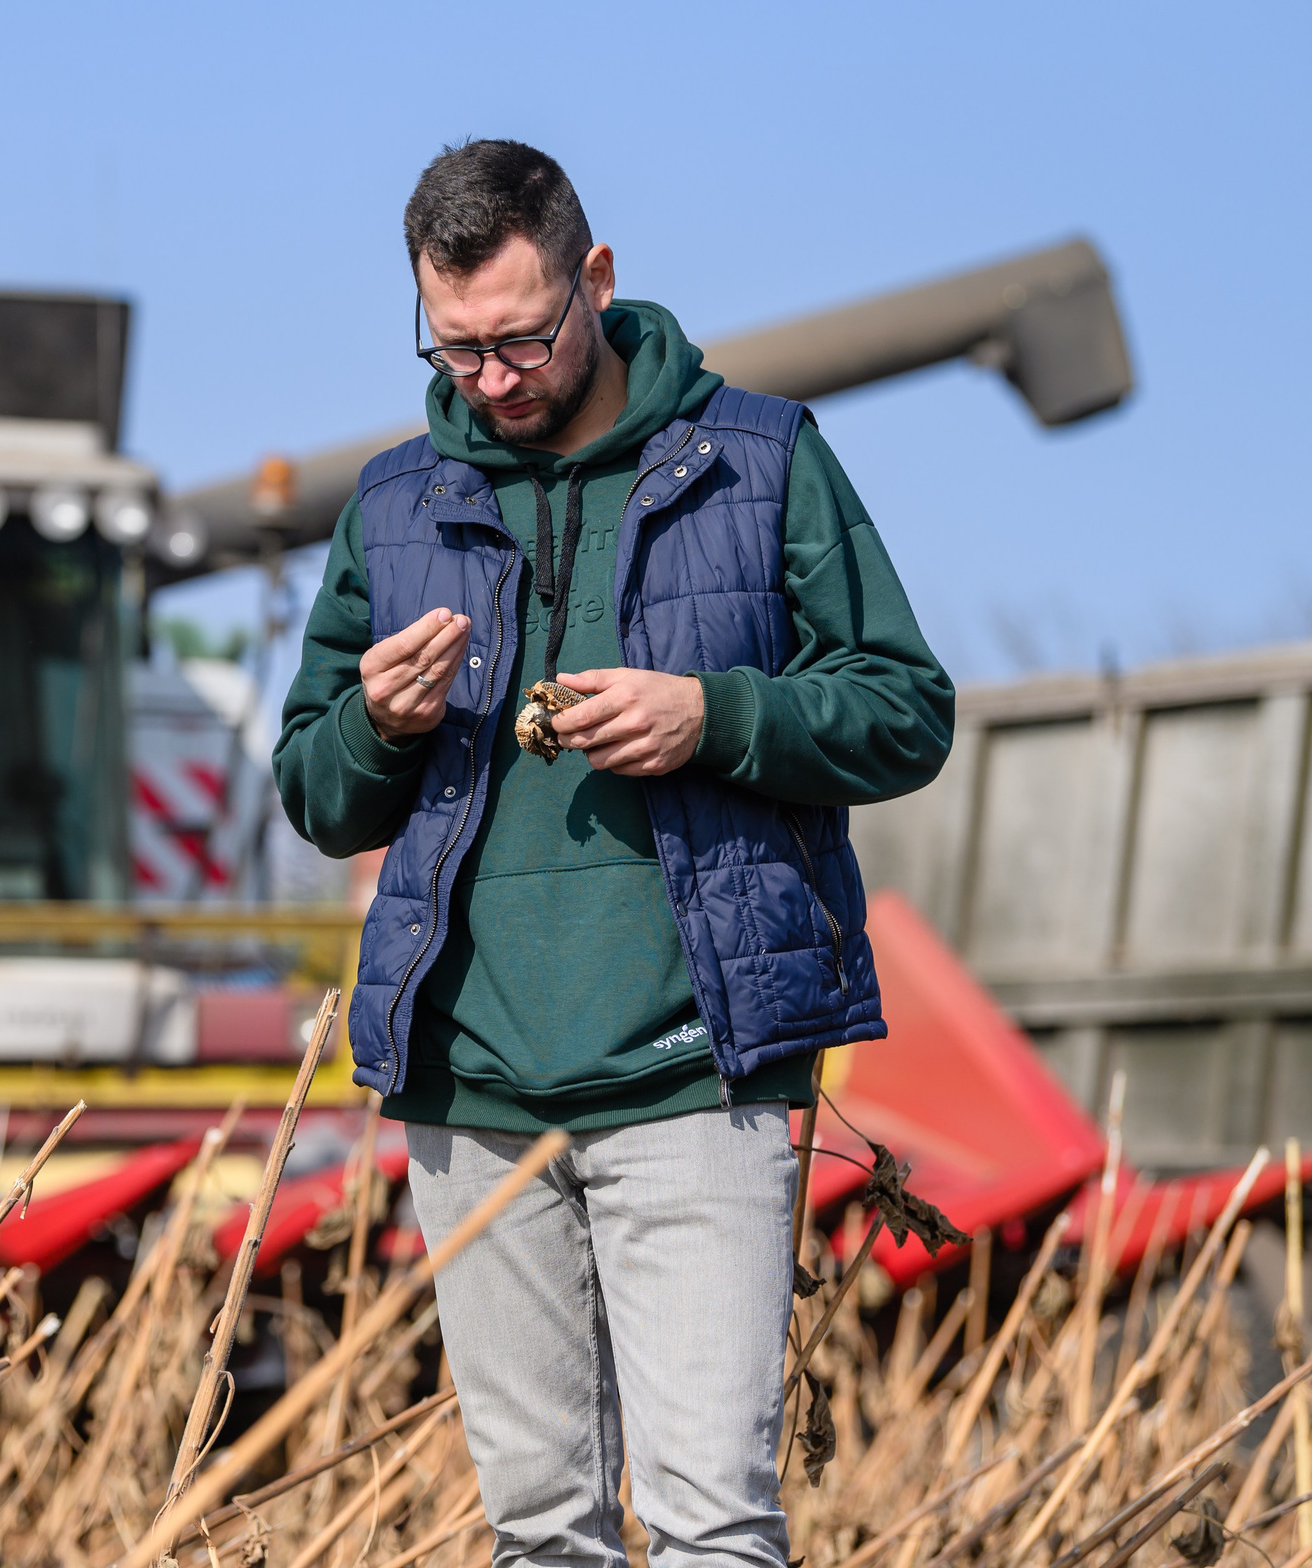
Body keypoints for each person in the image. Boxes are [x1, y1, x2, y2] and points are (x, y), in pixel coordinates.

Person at [273, 140, 954, 1567]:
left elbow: (907, 710)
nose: (494, 373)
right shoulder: (391, 507)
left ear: (597, 276)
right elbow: (317, 792)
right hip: (472, 1100)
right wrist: (380, 726)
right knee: (540, 1533)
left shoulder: (762, 458)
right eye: (455, 345)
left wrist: (719, 713)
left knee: (713, 1521)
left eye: (522, 334)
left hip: (698, 1075)